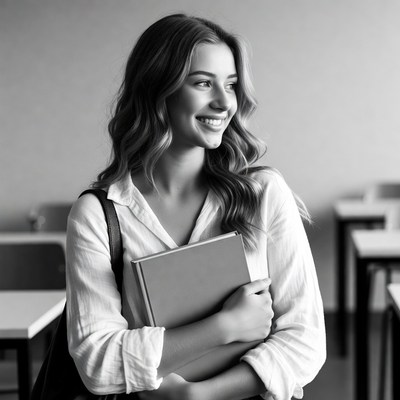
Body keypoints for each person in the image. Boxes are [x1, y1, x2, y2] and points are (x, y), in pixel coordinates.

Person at [66, 13, 326, 400]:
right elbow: (97, 362)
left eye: (232, 85)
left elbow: (306, 340)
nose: (224, 103)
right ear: (158, 89)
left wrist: (198, 396)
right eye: (203, 83)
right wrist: (225, 326)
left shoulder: (264, 193)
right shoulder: (97, 215)